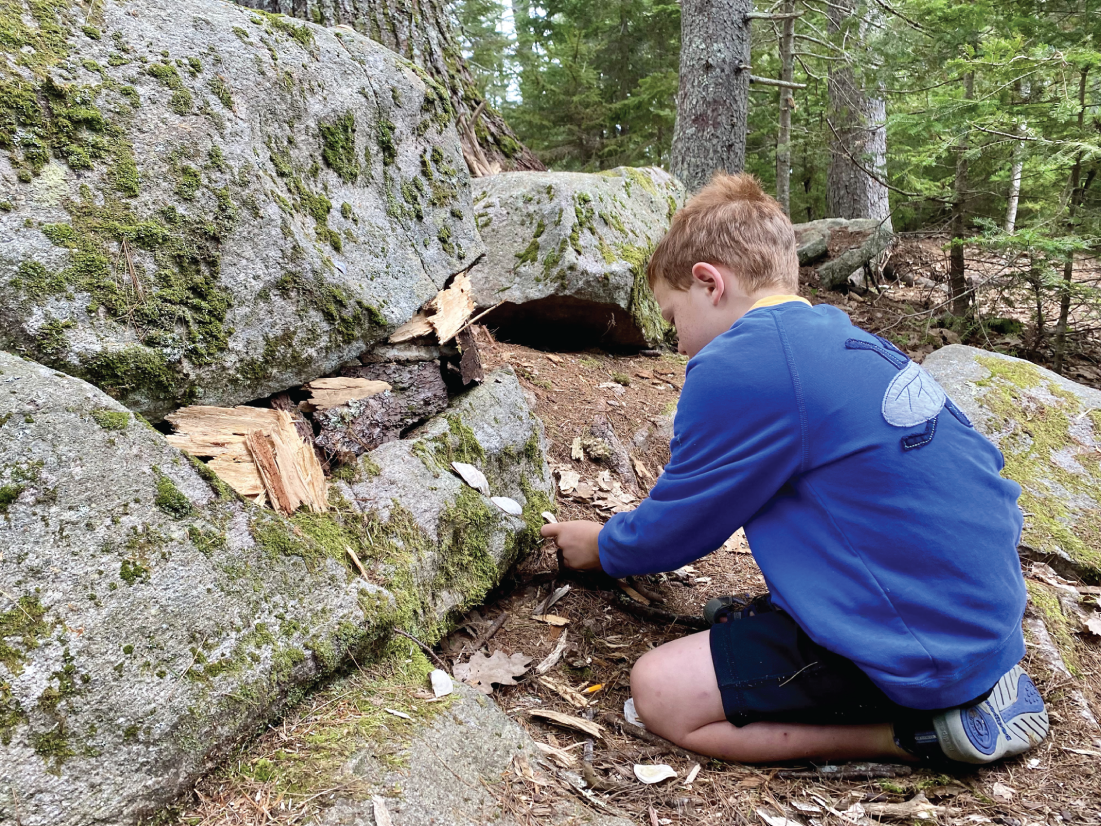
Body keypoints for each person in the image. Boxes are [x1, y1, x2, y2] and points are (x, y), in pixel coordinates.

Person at [540, 173, 1048, 767]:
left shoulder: (742, 363)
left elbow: (680, 526)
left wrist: (602, 545)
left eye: (673, 317)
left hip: (924, 647)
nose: (678, 345)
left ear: (710, 282)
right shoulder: (845, 343)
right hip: (978, 620)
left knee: (661, 692)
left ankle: (927, 733)